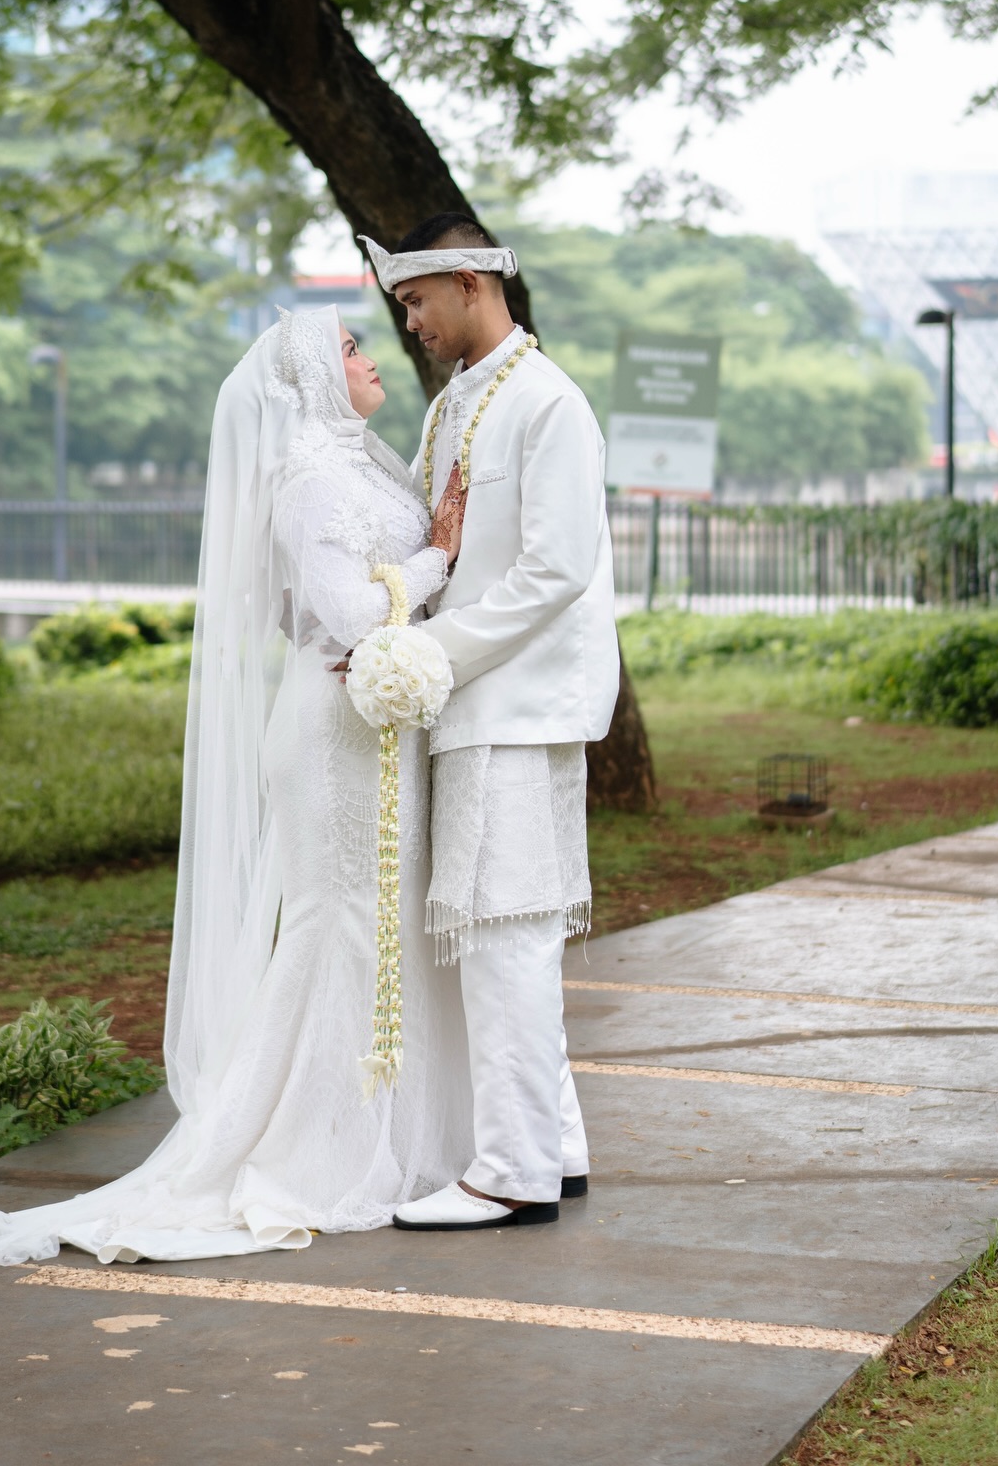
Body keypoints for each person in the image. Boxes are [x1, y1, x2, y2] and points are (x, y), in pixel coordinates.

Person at [0, 308, 473, 1269]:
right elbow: (343, 610)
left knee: (382, 924)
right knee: (337, 922)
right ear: (310, 378)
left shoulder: (369, 460)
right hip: (330, 733)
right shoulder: (304, 481)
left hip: (374, 722)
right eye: (348, 349)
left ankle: (395, 1133)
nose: (371, 356)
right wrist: (440, 557)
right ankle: (312, 1145)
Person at [356, 217, 620, 1233]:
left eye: (417, 302)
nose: (409, 323)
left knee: (506, 930)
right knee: (509, 926)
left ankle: (511, 1173)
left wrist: (433, 655)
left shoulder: (547, 402)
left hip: (514, 703)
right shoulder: (456, 406)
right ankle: (554, 1145)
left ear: (469, 283)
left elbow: (555, 572)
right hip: (482, 703)